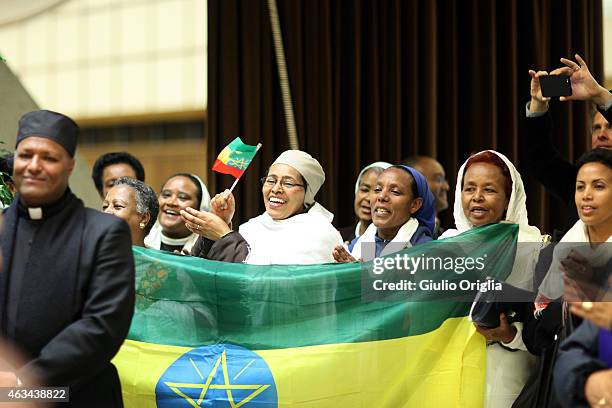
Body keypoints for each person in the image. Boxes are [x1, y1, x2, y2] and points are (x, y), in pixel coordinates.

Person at [0, 110, 135, 407]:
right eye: (26, 155)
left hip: (79, 394)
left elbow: (103, 325)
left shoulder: (103, 233)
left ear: (70, 166)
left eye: (48, 157)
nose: (34, 166)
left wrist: (23, 383)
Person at [440, 150, 549, 408]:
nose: (477, 198)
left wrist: (511, 335)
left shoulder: (536, 249)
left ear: (508, 198)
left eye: (489, 189)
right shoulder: (444, 246)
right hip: (452, 376)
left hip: (508, 378)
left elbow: (546, 330)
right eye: (469, 189)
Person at [185, 150, 343, 264]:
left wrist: (224, 236)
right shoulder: (252, 227)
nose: (276, 189)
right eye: (271, 180)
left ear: (307, 193)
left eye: (287, 183)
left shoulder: (319, 232)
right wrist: (220, 223)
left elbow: (267, 285)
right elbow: (207, 271)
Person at [522, 54, 612, 230]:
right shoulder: (578, 182)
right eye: (596, 128)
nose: (601, 135)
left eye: (609, 127)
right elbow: (539, 158)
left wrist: (599, 94)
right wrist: (538, 106)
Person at [332, 165, 435, 262]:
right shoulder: (358, 244)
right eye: (377, 189)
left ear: (414, 205)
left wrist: (361, 275)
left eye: (395, 191)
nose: (381, 196)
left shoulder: (425, 251)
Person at [144, 173, 211, 253]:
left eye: (182, 197)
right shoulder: (141, 241)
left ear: (200, 207)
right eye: (166, 195)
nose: (171, 202)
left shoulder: (209, 248)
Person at [338, 161, 391, 243]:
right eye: (364, 190)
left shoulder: (400, 241)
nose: (369, 198)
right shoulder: (338, 237)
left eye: (378, 191)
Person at [102, 177, 159, 247]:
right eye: (105, 206)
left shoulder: (156, 258)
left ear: (144, 218)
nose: (107, 212)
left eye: (117, 206)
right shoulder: (89, 254)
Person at [403, 155, 450, 236]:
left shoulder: (439, 230)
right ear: (416, 184)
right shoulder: (405, 236)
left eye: (444, 179)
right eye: (438, 179)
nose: (446, 187)